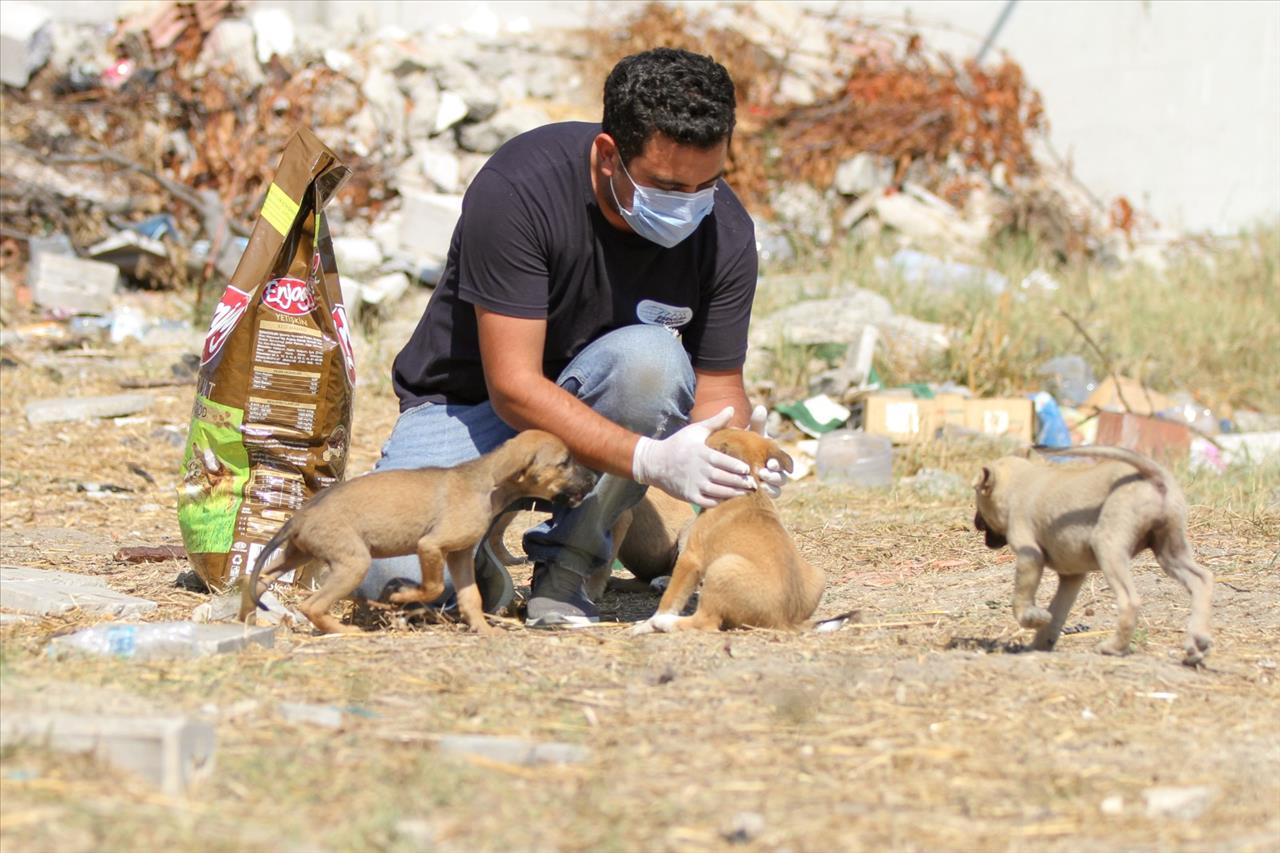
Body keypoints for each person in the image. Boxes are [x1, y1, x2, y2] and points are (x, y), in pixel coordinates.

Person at [361, 47, 784, 627]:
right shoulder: (520, 189)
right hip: (471, 408)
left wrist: (737, 458)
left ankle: (573, 563)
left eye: (705, 185)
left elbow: (717, 393)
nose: (688, 206)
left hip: (609, 405)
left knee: (651, 362)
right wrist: (650, 460)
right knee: (394, 579)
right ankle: (481, 556)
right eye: (665, 186)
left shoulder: (724, 230)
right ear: (609, 155)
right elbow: (513, 388)